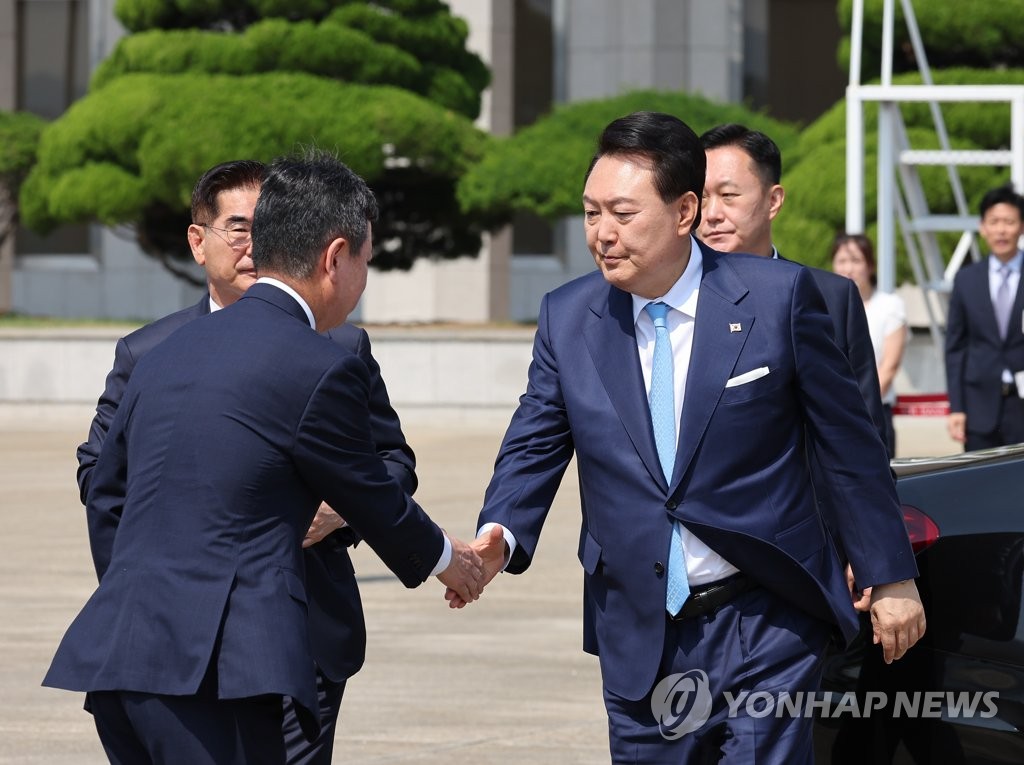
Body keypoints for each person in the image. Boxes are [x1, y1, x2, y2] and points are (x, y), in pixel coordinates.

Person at [459, 112, 925, 763]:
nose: (603, 233)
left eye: (622, 212)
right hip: (640, 626)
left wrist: (890, 572)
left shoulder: (778, 299)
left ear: (685, 211)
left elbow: (849, 447)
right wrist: (498, 537)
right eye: (592, 213)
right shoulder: (570, 317)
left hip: (766, 614)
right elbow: (534, 441)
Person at [45, 149, 499, 764]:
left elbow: (108, 493)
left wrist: (146, 595)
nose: (364, 285)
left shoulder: (169, 354)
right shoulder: (314, 363)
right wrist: (452, 560)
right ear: (336, 256)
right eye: (367, 263)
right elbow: (369, 489)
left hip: (125, 658)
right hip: (224, 671)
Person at [699, 123, 888, 446]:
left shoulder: (831, 298)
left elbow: (862, 432)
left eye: (728, 196)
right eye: (701, 198)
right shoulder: (669, 297)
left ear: (773, 201)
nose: (712, 213)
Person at [945, 183, 1024, 450]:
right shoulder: (966, 279)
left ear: (1021, 227)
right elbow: (955, 347)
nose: (1002, 229)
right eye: (994, 222)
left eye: (1009, 222)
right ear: (983, 227)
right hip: (978, 407)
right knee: (980, 487)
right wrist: (956, 407)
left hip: (1021, 405)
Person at [832, 232, 908, 458]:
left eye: (856, 261)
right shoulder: (822, 304)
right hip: (832, 414)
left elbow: (889, 367)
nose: (849, 268)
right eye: (842, 261)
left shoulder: (889, 305)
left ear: (871, 265)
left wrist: (858, 409)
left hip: (874, 412)